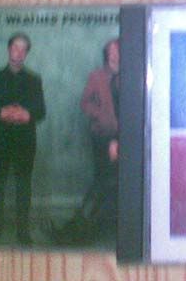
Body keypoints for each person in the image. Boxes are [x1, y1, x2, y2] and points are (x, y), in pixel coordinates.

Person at [50, 39, 120, 245]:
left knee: (109, 184)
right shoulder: (96, 76)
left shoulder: (131, 75)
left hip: (121, 140)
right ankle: (78, 230)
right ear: (106, 54)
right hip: (102, 138)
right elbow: (85, 103)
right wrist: (100, 115)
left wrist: (118, 140)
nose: (114, 55)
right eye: (111, 51)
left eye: (117, 51)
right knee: (103, 182)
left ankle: (83, 230)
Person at [0, 33, 46, 245]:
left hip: (25, 142)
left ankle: (23, 232)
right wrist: (2, 112)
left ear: (27, 53)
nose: (18, 52)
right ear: (9, 49)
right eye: (15, 47)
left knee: (23, 187)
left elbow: (41, 112)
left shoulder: (34, 80)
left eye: (23, 49)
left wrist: (27, 115)